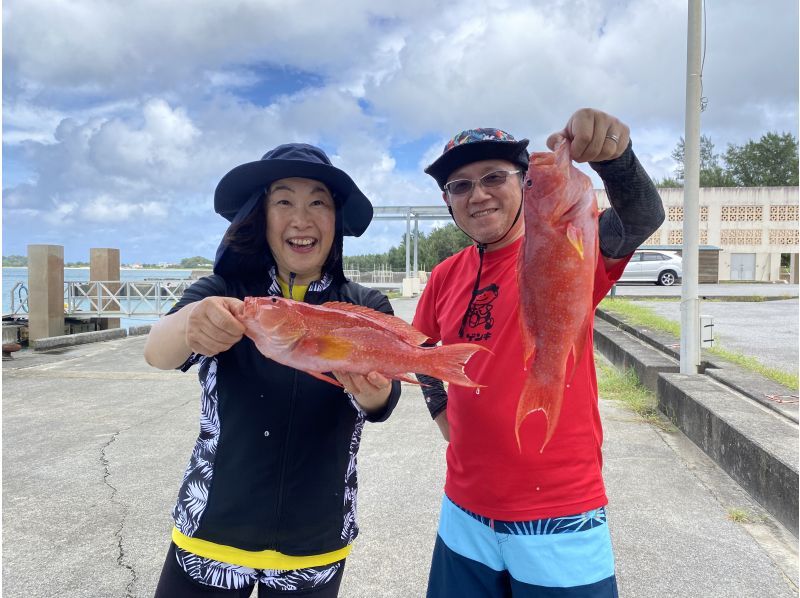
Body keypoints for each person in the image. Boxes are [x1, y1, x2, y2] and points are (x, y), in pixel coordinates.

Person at [413, 109, 665, 597]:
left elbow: (642, 217)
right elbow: (423, 349)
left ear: (525, 183)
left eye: (493, 177)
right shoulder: (446, 274)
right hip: (464, 507)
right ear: (448, 202)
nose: (478, 194)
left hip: (560, 510)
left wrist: (617, 160)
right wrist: (442, 411)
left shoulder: (568, 241)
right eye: (460, 186)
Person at [144, 143, 402, 597]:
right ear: (260, 216)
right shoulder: (227, 294)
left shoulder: (364, 307)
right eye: (283, 201)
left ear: (336, 220)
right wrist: (191, 322)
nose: (301, 219)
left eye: (318, 202)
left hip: (315, 540)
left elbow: (383, 405)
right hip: (212, 530)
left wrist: (372, 392)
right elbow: (157, 352)